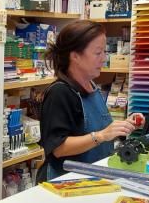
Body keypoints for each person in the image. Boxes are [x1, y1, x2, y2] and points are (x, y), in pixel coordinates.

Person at [38, 20, 135, 182]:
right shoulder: (60, 93)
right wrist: (102, 135)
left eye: (104, 52)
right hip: (65, 183)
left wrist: (122, 127)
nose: (104, 58)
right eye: (98, 53)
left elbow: (101, 130)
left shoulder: (91, 86)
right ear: (75, 55)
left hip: (93, 178)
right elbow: (58, 148)